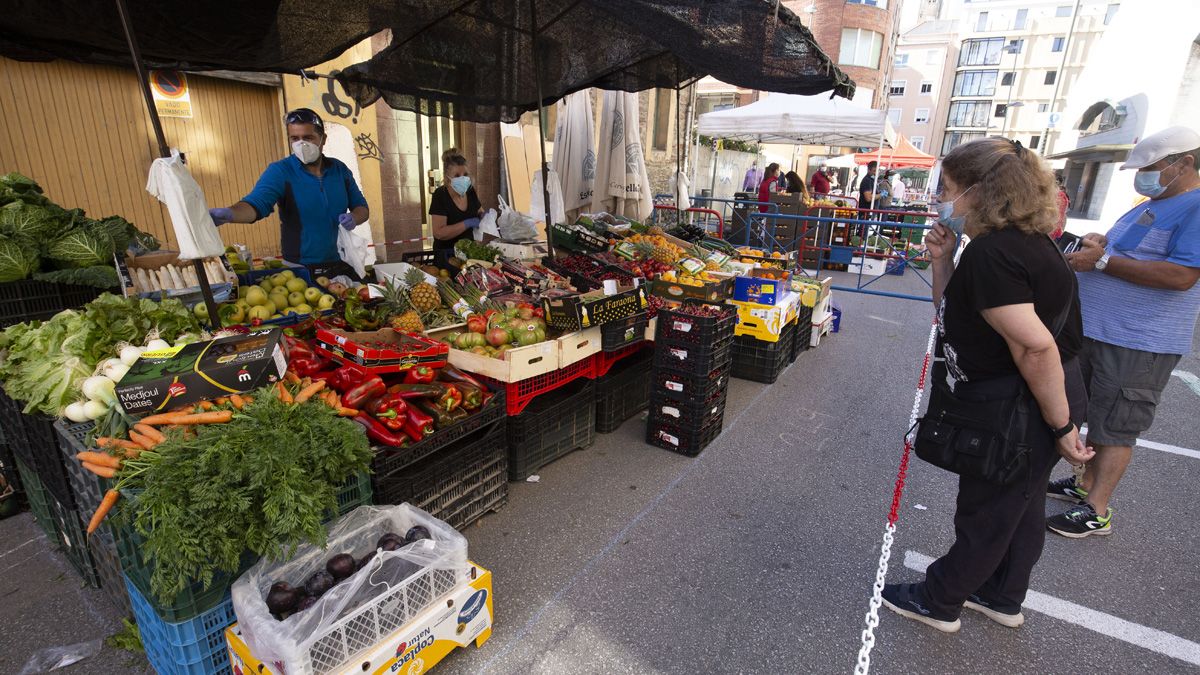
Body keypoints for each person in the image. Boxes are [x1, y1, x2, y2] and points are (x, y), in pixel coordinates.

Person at [881, 137, 1092, 633]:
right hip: (1033, 395)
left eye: (948, 188)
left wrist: (1059, 424)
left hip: (1021, 403)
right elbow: (955, 312)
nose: (941, 198)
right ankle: (1001, 595)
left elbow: (1034, 347)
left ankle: (941, 598)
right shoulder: (1018, 245)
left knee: (989, 511)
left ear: (980, 191)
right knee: (1020, 504)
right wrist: (943, 260)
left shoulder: (998, 255)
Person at [1046, 126, 1200, 538]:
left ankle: (1097, 508)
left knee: (1116, 425)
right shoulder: (1153, 203)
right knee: (1092, 415)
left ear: (1184, 163)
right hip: (1100, 332)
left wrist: (1101, 263)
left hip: (1138, 341)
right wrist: (1101, 244)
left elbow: (1182, 275)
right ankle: (1083, 486)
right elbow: (1124, 252)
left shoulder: (1195, 207)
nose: (1141, 175)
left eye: (1149, 167)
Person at [209, 108, 369, 278]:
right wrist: (230, 214)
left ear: (323, 139)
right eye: (295, 138)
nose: (301, 144)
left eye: (308, 137)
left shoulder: (339, 170)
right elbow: (257, 203)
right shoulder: (280, 171)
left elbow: (362, 208)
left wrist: (354, 217)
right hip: (299, 269)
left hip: (339, 262)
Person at [429, 148, 483, 262]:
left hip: (469, 256)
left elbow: (479, 211)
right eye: (457, 175)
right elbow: (439, 233)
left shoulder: (470, 191)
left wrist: (485, 216)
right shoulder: (440, 195)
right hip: (447, 258)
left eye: (465, 174)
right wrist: (466, 223)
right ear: (447, 178)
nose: (463, 178)